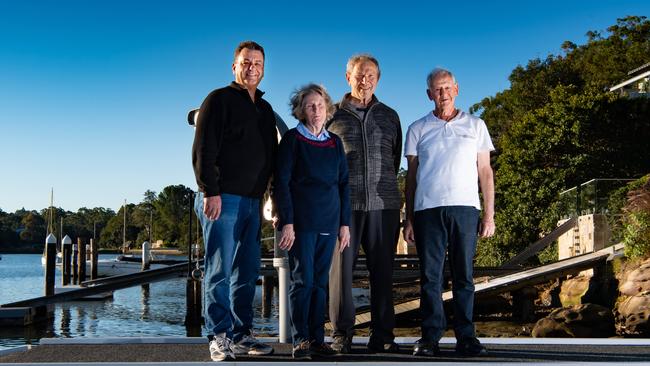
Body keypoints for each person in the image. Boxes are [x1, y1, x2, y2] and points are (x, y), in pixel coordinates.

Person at [191, 40, 277, 362]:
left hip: (254, 203)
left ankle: (242, 335)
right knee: (218, 270)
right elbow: (203, 150)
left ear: (263, 69)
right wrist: (209, 190)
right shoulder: (218, 100)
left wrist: (271, 199)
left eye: (257, 63)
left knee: (247, 271)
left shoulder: (265, 110)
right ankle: (219, 336)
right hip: (221, 199)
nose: (251, 68)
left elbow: (272, 157)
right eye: (246, 62)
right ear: (234, 67)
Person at [403, 68, 495, 357]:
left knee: (464, 275)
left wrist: (489, 214)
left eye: (447, 88)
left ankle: (466, 337)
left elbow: (485, 172)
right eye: (437, 89)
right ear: (429, 94)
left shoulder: (476, 125)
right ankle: (430, 338)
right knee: (430, 277)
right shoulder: (417, 128)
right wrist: (409, 218)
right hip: (427, 210)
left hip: (465, 209)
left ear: (456, 90)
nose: (442, 94)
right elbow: (411, 177)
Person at [326, 54, 402, 353]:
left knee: (382, 273)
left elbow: (394, 160)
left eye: (370, 75)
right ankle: (342, 335)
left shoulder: (390, 115)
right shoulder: (331, 115)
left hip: (384, 206)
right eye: (359, 74)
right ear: (348, 77)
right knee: (341, 273)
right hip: (344, 208)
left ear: (378, 79)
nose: (364, 80)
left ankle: (383, 336)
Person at [274, 84, 351, 360]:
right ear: (301, 110)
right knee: (302, 281)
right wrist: (287, 222)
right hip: (300, 224)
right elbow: (281, 183)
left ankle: (318, 339)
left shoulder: (334, 143)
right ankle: (301, 340)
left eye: (320, 105)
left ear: (328, 109)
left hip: (329, 223)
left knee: (319, 283)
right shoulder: (293, 140)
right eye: (310, 106)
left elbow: (343, 185)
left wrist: (345, 224)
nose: (316, 110)